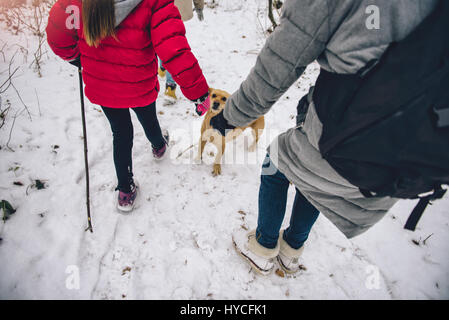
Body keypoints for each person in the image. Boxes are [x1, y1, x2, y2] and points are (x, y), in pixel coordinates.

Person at [210, 0, 439, 275]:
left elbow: (277, 67)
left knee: (279, 164)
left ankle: (263, 246)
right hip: (410, 163)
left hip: (346, 137)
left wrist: (229, 118)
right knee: (317, 182)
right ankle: (292, 250)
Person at [46, 0, 210, 212]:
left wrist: (79, 59)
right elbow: (173, 49)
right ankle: (159, 146)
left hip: (103, 84)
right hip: (139, 83)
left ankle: (125, 191)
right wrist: (198, 94)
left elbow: (58, 37)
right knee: (148, 117)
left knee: (121, 132)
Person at [158, 0, 205, 100]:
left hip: (162, 8)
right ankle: (163, 68)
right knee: (168, 43)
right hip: (171, 8)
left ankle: (170, 85)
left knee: (167, 42)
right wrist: (199, 6)